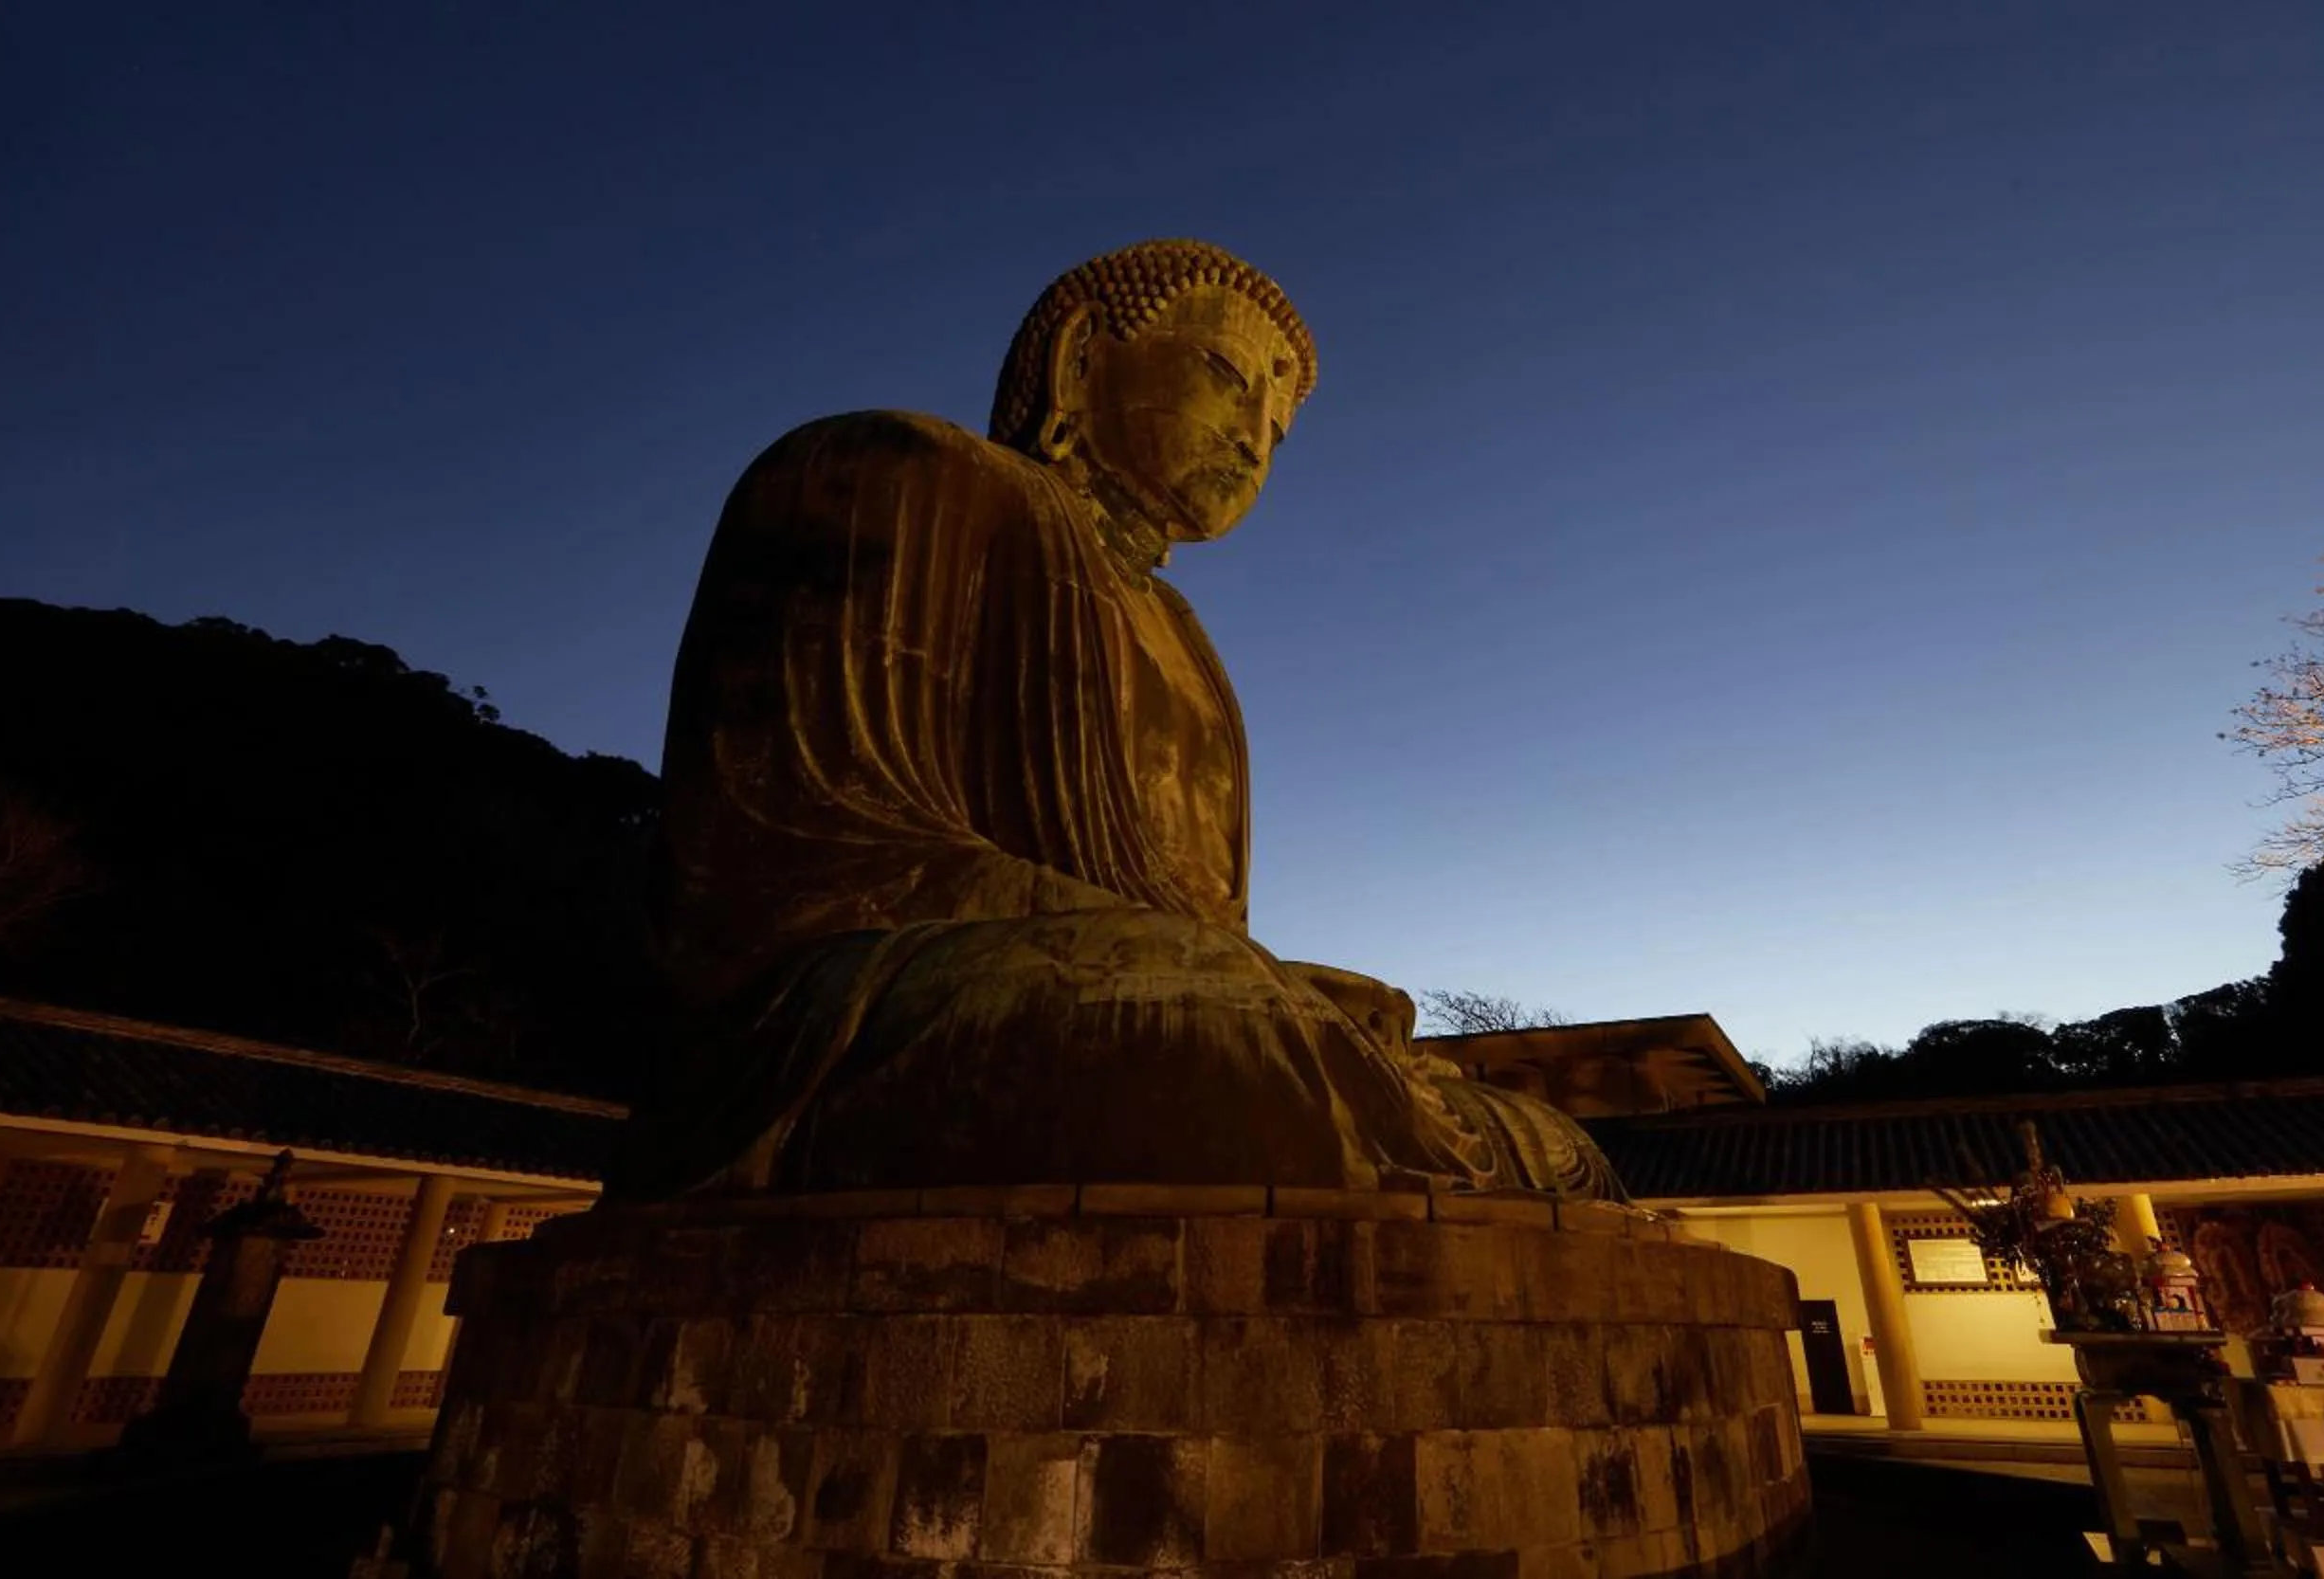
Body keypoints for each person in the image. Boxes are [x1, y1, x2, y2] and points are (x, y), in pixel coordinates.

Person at [616, 241, 1618, 1203]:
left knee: (1549, 1144)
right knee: (1222, 1032)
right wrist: (1228, 977)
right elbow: (801, 867)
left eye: (1279, 427)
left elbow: (1198, 931)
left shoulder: (1184, 638)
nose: (1254, 435)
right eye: (1225, 374)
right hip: (843, 1011)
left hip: (1133, 989)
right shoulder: (892, 469)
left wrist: (1276, 986)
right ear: (1081, 357)